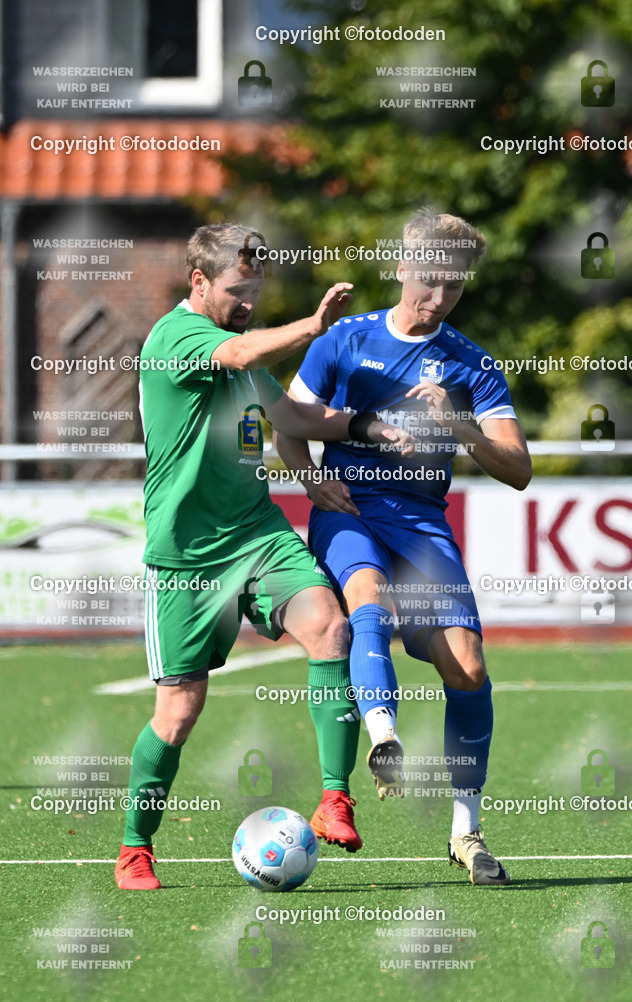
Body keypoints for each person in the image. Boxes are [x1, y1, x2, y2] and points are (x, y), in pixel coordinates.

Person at [114, 223, 414, 889]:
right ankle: (136, 846)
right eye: (237, 290)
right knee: (178, 712)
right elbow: (240, 351)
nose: (249, 302)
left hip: (258, 535)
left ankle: (334, 797)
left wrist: (369, 426)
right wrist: (311, 327)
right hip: (187, 561)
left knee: (330, 627)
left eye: (256, 290)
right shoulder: (176, 339)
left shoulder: (245, 359)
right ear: (199, 283)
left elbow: (295, 419)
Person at [276, 208, 532, 885]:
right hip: (351, 507)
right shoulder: (344, 339)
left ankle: (465, 833)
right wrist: (309, 479)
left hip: (421, 520)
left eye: (454, 286)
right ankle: (384, 737)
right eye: (428, 281)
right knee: (368, 599)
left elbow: (518, 469)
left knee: (468, 668)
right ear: (399, 266)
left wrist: (462, 428)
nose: (438, 297)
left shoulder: (472, 363)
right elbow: (286, 420)